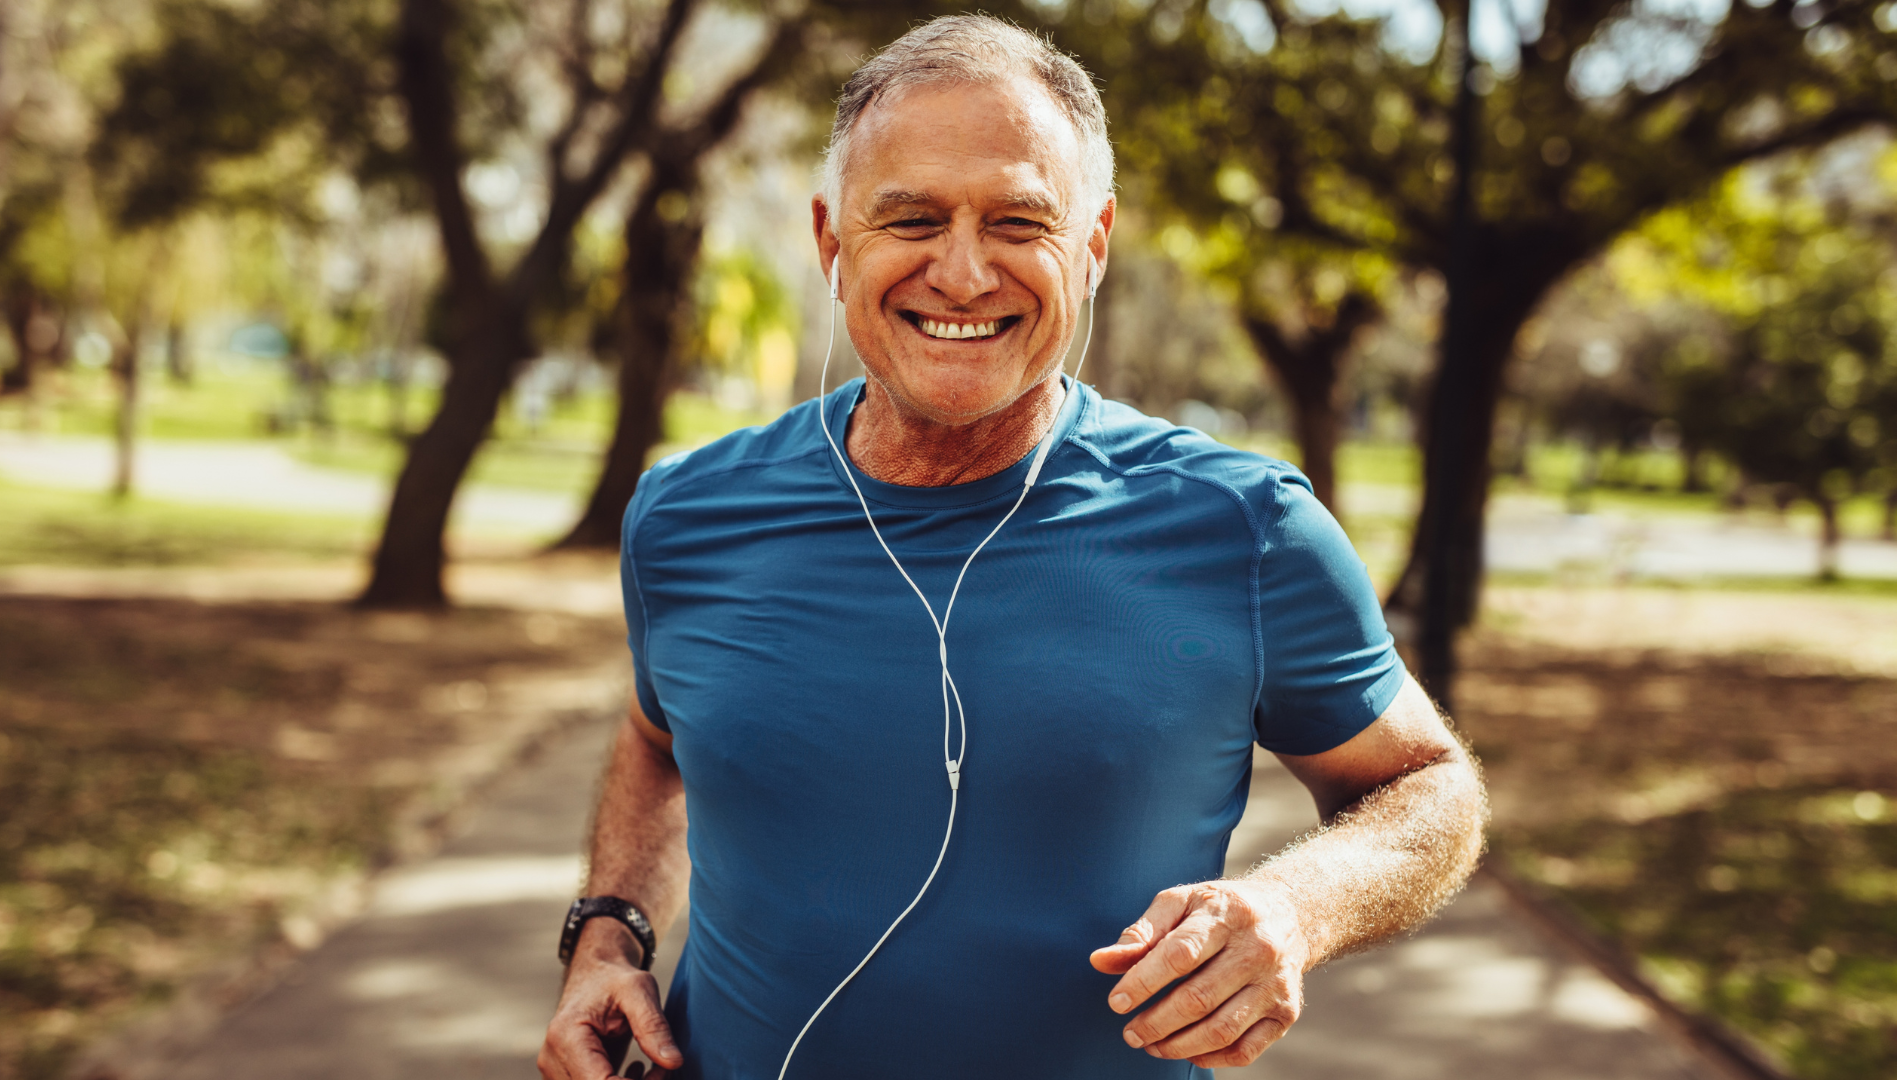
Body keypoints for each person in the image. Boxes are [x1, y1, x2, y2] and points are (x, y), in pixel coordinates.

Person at [539, 15, 1486, 1080]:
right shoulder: (686, 515)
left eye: (1018, 221)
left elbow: (1429, 787)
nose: (961, 272)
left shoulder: (1246, 528)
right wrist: (607, 936)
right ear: (830, 242)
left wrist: (1294, 909)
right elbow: (658, 740)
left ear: (1093, 245)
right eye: (910, 218)